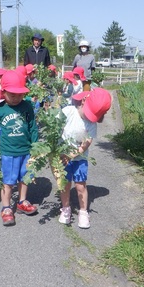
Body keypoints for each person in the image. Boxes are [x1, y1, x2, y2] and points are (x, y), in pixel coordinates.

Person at [0, 70, 39, 226]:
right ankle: (6, 208)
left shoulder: (27, 106)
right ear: (3, 92)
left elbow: (33, 127)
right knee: (8, 182)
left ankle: (22, 202)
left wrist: (36, 148)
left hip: (26, 151)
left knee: (25, 178)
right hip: (8, 153)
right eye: (12, 94)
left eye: (19, 94)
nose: (16, 97)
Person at [58, 87, 112, 228]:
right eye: (88, 114)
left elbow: (87, 142)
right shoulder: (68, 112)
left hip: (80, 158)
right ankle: (66, 208)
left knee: (81, 186)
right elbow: (55, 126)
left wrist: (73, 154)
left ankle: (83, 212)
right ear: (83, 101)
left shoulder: (91, 124)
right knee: (64, 185)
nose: (89, 118)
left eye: (93, 116)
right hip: (63, 157)